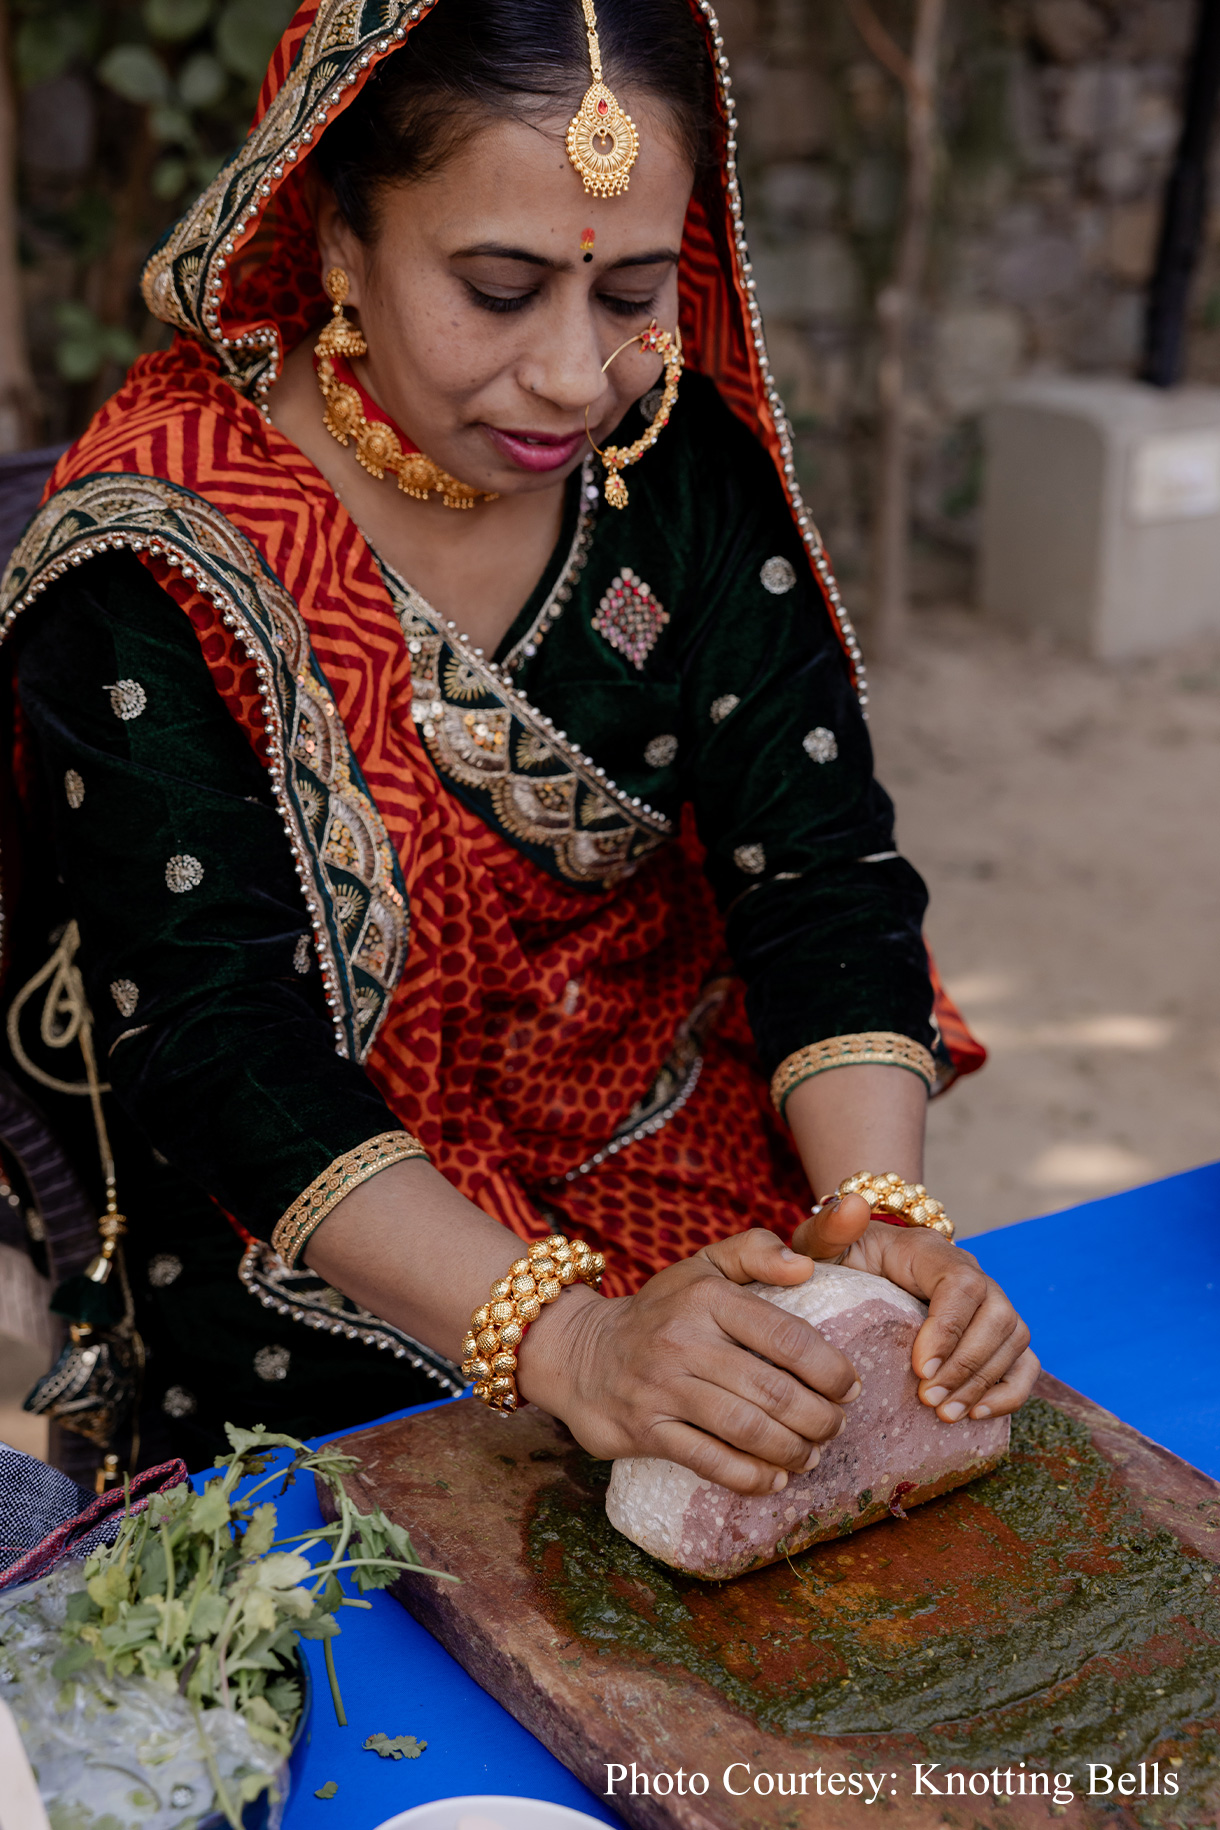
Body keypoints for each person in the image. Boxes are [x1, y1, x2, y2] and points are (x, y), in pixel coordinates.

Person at [0, 0, 1037, 1487]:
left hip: (696, 1192)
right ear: (339, 234)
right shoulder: (159, 558)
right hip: (320, 1276)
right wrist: (571, 1343)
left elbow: (818, 871)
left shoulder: (674, 462)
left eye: (632, 292)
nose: (572, 373)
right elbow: (216, 1039)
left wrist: (874, 1216)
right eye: (499, 290)